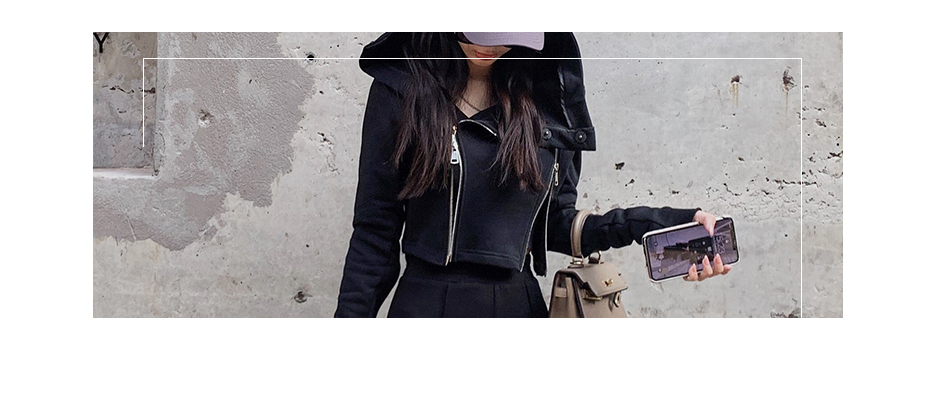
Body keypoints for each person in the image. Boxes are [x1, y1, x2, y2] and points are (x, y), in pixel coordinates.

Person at [333, 32, 730, 318]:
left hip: (518, 308)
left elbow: (557, 224)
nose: (489, 45)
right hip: (425, 308)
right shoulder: (400, 89)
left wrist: (659, 224)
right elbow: (375, 232)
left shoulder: (549, 100)